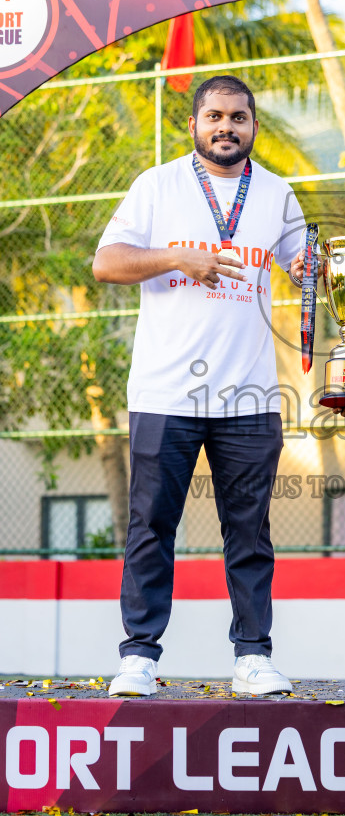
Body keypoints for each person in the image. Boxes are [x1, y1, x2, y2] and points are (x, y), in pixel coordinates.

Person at [93, 74, 306, 697]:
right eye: (215, 116)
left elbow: (303, 266)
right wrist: (174, 257)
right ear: (194, 123)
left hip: (249, 394)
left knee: (250, 532)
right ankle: (138, 657)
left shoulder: (277, 192)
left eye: (238, 117)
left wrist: (320, 268)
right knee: (151, 526)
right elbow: (107, 263)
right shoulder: (156, 185)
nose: (226, 127)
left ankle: (253, 657)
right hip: (165, 392)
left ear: (254, 126)